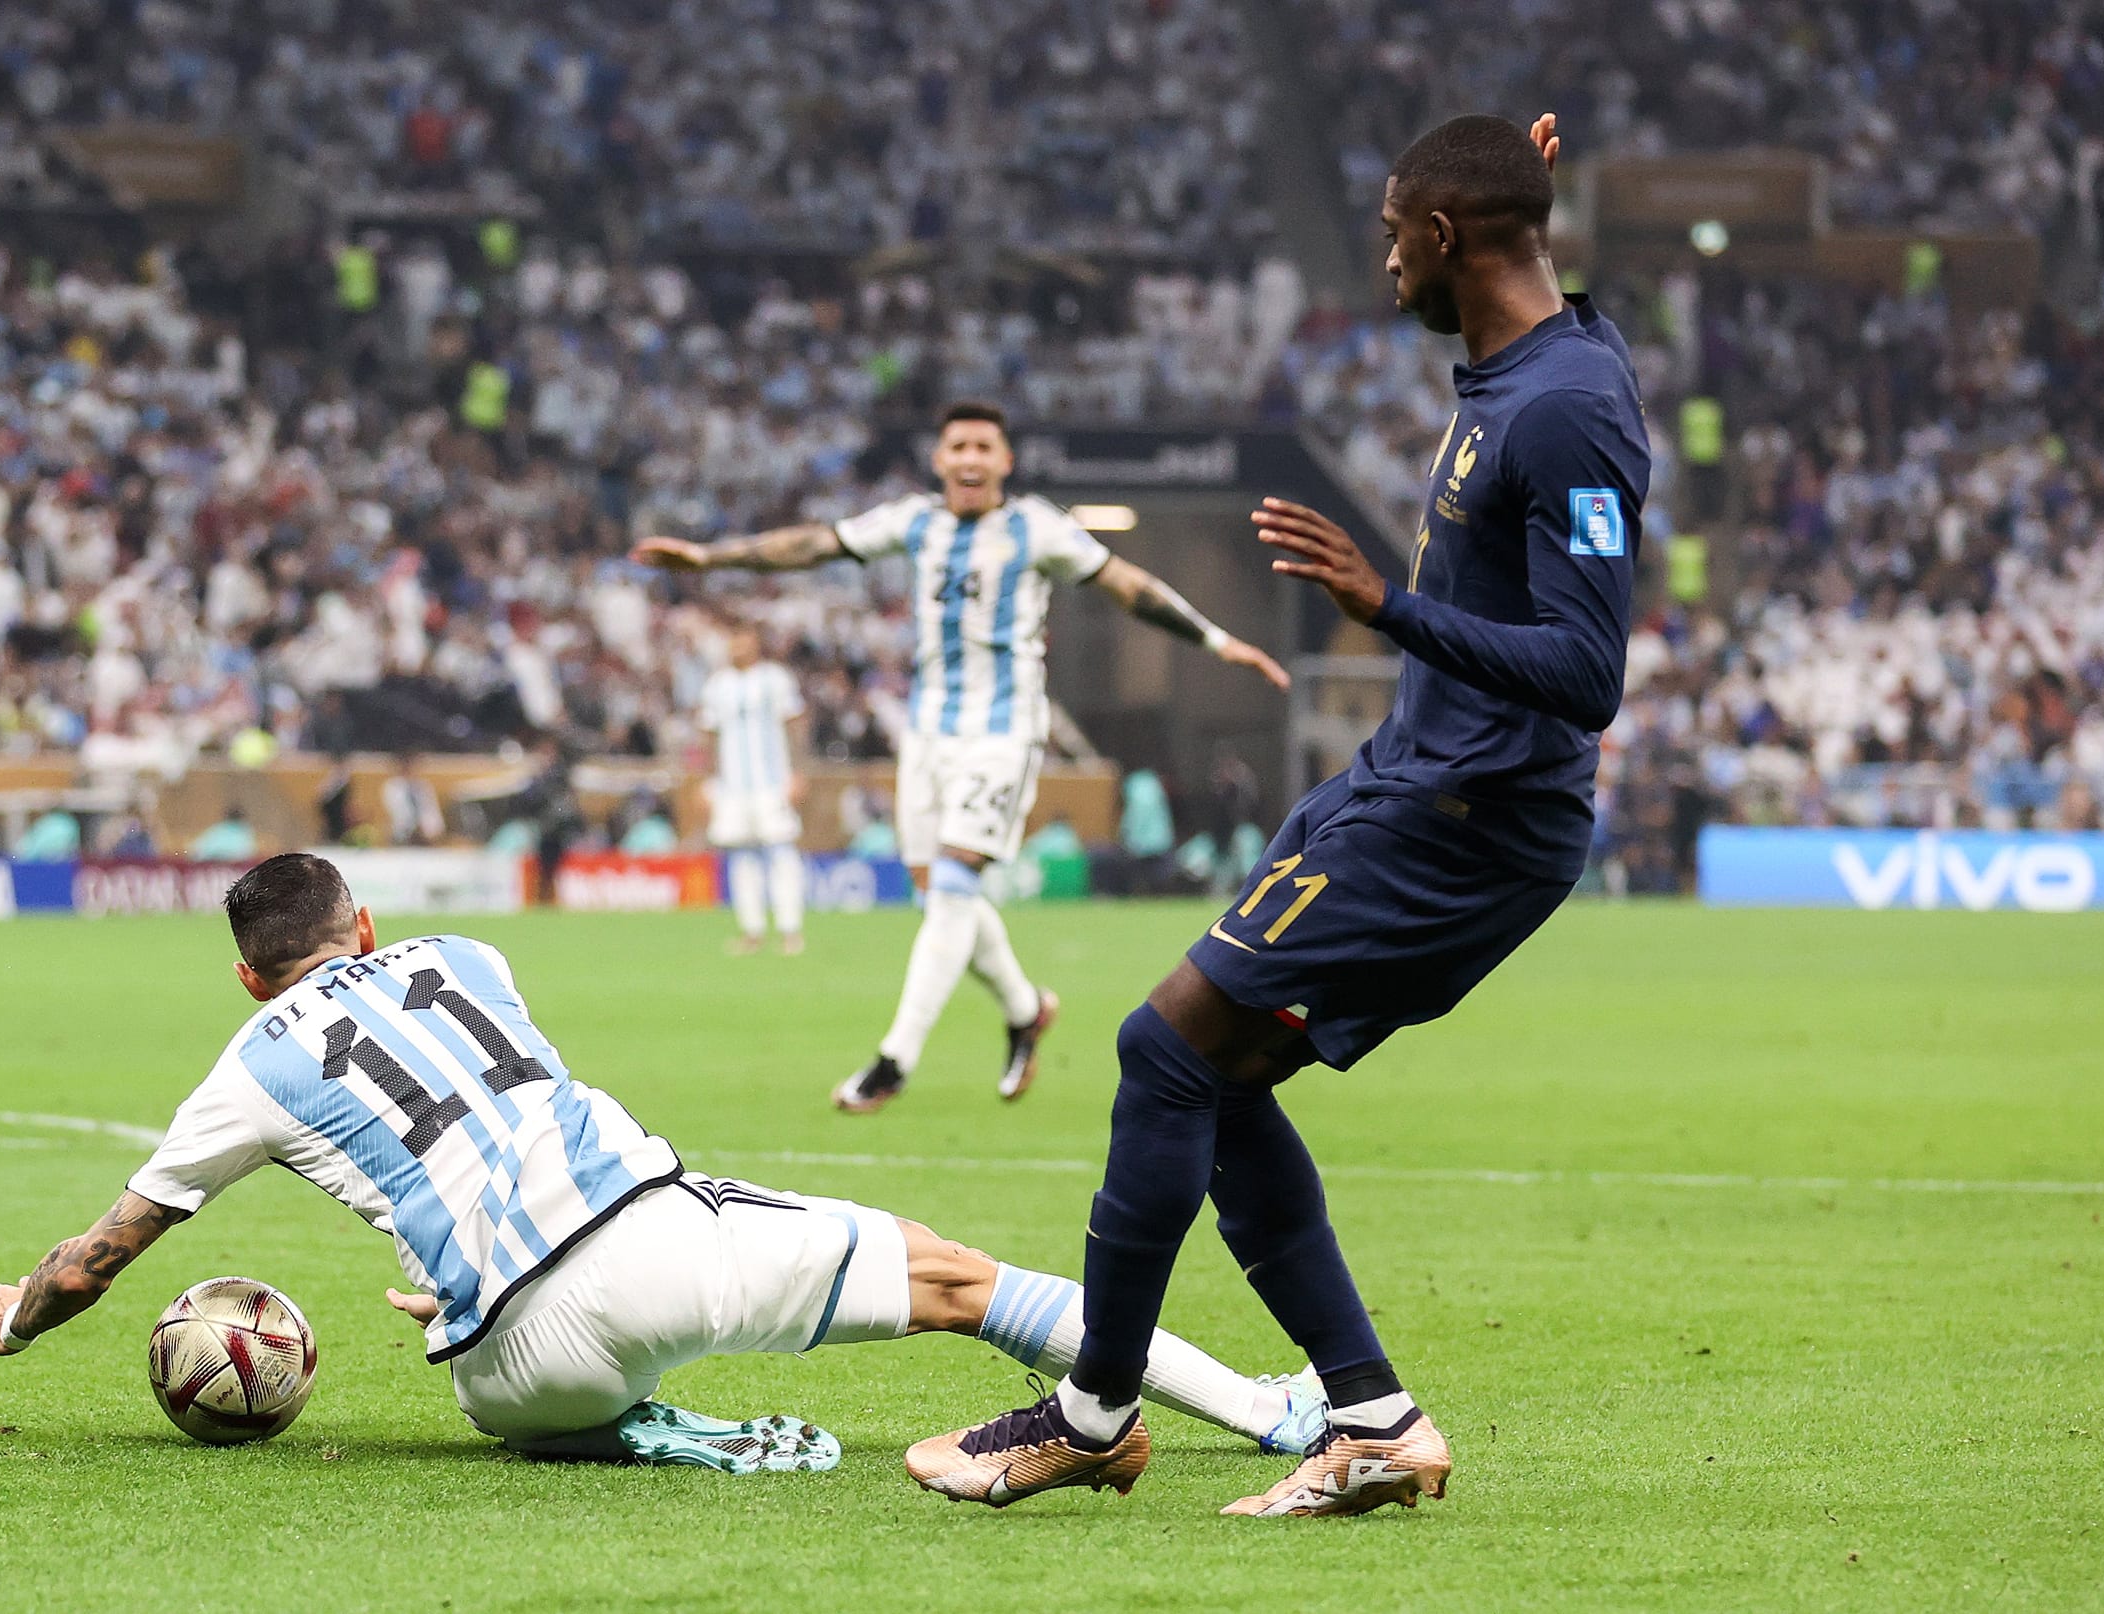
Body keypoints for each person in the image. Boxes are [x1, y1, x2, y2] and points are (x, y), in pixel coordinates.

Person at [909, 113, 1647, 1518]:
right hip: (1403, 780)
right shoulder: (1526, 365)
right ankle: (1370, 1419)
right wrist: (1520, 175)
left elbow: (1590, 669)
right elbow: (1524, 257)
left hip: (1465, 817)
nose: (1379, 255)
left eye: (1393, 230)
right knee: (1213, 1073)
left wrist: (1389, 607)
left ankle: (1091, 1412)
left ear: (1444, 238)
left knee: (1161, 1046)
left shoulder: (1565, 410)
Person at [0, 853, 1328, 1473]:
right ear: (366, 924)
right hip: (650, 1246)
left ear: (247, 977)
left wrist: (18, 1317)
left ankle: (634, 1431)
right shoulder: (467, 958)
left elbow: (105, 1252)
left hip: (505, 1381)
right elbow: (499, 1115)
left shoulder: (249, 1059)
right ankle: (1271, 1416)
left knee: (508, 1339)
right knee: (965, 1284)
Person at [633, 401, 1289, 1112]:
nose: (971, 458)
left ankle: (893, 1060)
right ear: (941, 460)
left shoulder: (1036, 528)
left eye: (984, 446)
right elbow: (815, 544)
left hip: (1003, 730)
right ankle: (1025, 1007)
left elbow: (1127, 586)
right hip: (927, 734)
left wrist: (1217, 641)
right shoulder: (914, 522)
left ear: (1004, 461)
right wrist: (709, 557)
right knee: (940, 895)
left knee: (950, 888)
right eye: (959, 447)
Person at [698, 622, 809, 955]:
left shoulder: (776, 679)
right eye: (734, 642)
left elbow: (795, 725)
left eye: (744, 642)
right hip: (731, 787)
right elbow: (709, 736)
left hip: (772, 782)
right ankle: (752, 931)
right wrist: (707, 782)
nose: (738, 648)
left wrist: (799, 773)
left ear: (756, 644)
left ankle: (790, 930)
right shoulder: (717, 685)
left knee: (781, 852)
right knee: (741, 857)